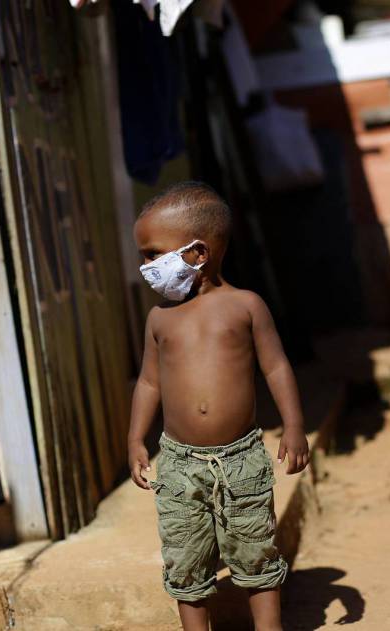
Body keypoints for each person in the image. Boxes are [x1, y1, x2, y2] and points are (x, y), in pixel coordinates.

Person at [127, 181, 311, 631]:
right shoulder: (159, 318)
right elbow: (149, 381)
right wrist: (135, 438)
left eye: (153, 254)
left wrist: (294, 425)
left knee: (255, 550)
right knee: (185, 557)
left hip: (241, 458)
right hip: (178, 462)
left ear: (197, 253)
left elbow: (277, 368)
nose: (146, 266)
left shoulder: (245, 306)